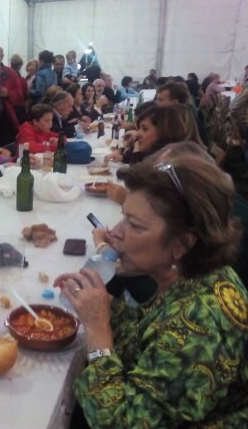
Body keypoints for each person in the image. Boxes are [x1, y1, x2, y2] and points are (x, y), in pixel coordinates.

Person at [56, 157, 248, 428]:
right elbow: (144, 336)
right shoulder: (190, 276)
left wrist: (98, 329)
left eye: (134, 225)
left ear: (182, 243)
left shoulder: (200, 321)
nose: (114, 234)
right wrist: (102, 304)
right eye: (124, 216)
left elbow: (119, 422)